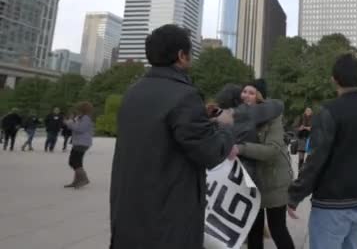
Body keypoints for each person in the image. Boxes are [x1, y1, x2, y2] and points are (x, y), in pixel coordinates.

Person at [109, 24, 237, 249]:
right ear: (181, 55)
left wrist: (201, 119)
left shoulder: (133, 92)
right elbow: (210, 152)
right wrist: (226, 127)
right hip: (167, 218)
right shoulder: (185, 95)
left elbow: (161, 135)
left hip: (128, 213)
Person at [288, 53, 357, 249]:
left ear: (334, 79)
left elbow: (316, 159)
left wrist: (295, 195)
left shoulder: (329, 112)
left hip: (332, 205)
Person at [237, 80, 295, 249]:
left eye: (251, 92)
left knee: (278, 229)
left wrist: (241, 148)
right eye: (244, 91)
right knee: (254, 231)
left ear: (259, 97)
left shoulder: (272, 118)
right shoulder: (239, 116)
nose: (246, 95)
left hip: (273, 182)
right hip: (251, 183)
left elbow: (272, 151)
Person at [64, 103, 94, 188]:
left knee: (74, 161)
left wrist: (69, 123)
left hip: (82, 143)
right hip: (79, 142)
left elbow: (80, 129)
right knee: (77, 161)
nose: (77, 110)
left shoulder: (86, 118)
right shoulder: (81, 117)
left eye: (78, 108)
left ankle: (84, 179)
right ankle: (76, 181)